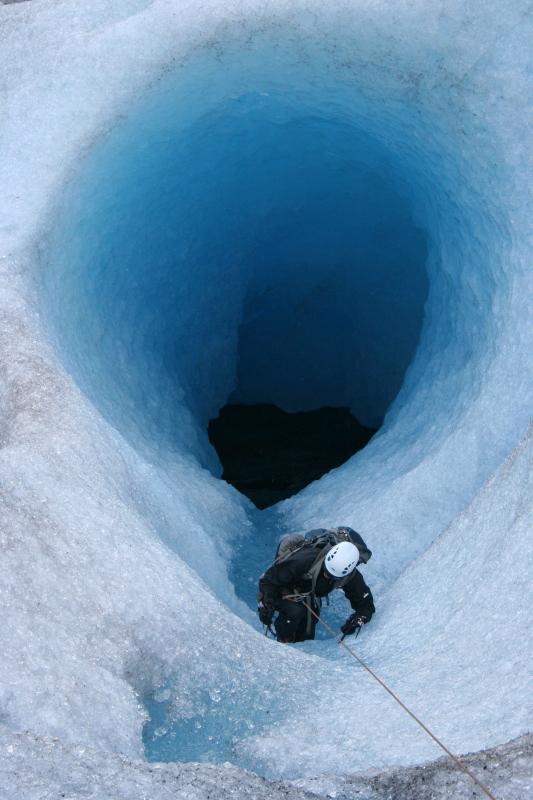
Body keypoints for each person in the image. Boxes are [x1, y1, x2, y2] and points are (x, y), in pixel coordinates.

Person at [257, 526, 375, 643]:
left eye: (333, 576)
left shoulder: (350, 574)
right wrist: (267, 604)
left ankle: (300, 647)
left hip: (307, 589)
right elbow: (269, 580)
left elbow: (365, 604)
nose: (327, 576)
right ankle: (283, 641)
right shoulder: (303, 560)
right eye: (326, 571)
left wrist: (358, 619)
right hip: (285, 586)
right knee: (295, 611)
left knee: (308, 626)